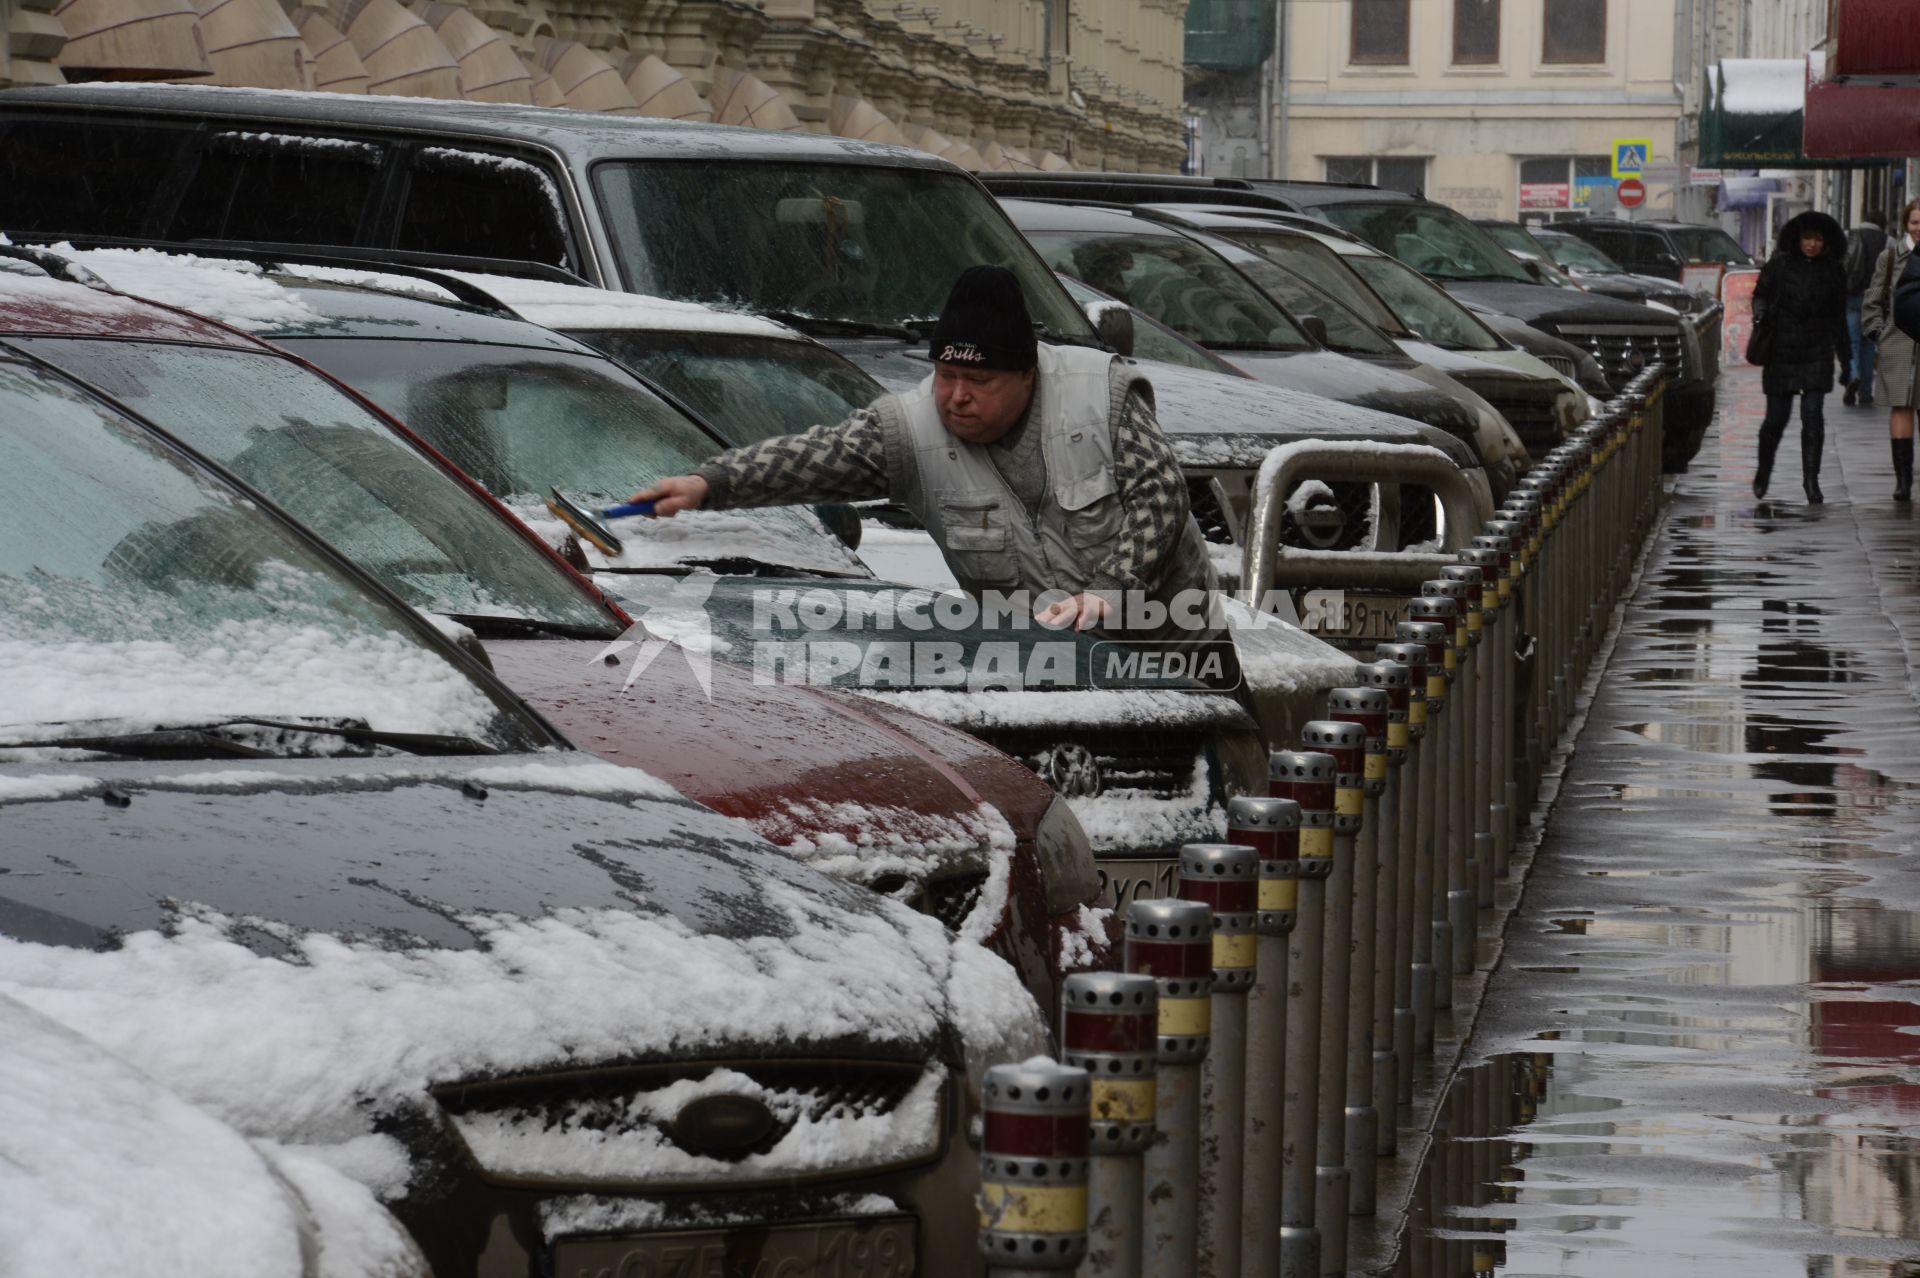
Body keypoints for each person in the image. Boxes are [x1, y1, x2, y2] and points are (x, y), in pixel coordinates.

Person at [632, 265, 1215, 640]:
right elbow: (817, 456)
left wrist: (1110, 592)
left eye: (979, 381)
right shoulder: (912, 429)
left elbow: (1160, 495)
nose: (956, 396)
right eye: (944, 374)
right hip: (1041, 658)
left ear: (1025, 373)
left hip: (1173, 640)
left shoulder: (1098, 396)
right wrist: (710, 484)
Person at [1751, 211, 1850, 504]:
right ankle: (1764, 469)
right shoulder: (1779, 265)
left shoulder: (1834, 271)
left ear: (1826, 242)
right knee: (1776, 420)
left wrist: (1847, 362)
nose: (1812, 244)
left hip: (1817, 351)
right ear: (1797, 239)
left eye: (1818, 239)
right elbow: (1760, 294)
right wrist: (1760, 313)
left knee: (1813, 417)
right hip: (1781, 349)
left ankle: (1811, 481)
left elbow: (1838, 318)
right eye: (1807, 238)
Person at [1860, 199, 1920, 502]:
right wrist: (1879, 334)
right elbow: (1873, 298)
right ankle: (1903, 481)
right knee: (1901, 405)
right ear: (1905, 224)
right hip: (1898, 340)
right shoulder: (1892, 255)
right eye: (1915, 222)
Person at [1843, 210, 1890, 407]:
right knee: (1868, 343)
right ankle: (1865, 392)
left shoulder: (1848, 235)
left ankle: (1852, 375)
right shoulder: (1889, 241)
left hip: (1851, 294)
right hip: (1875, 297)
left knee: (1851, 341)